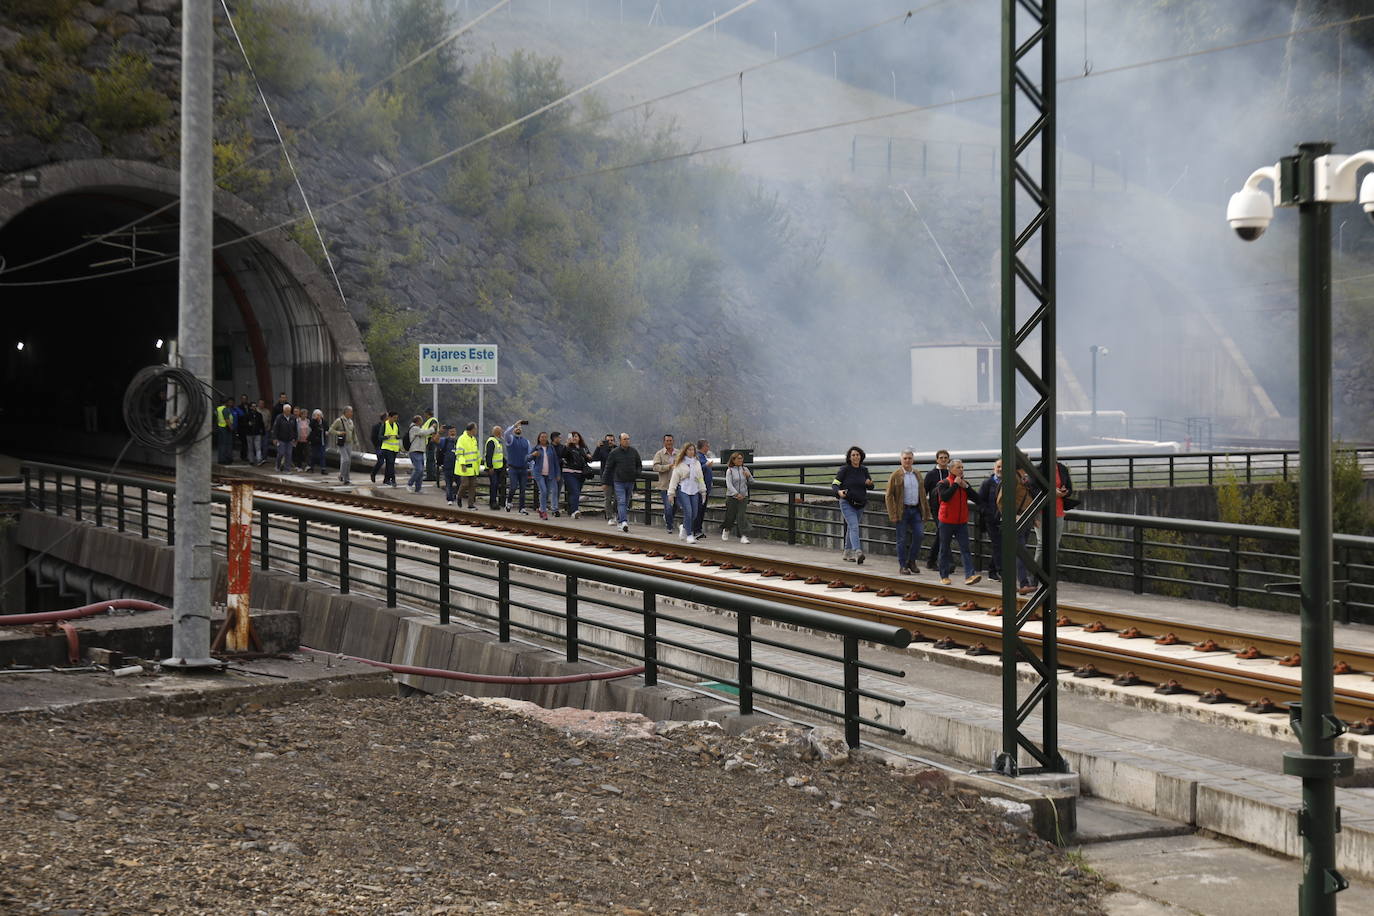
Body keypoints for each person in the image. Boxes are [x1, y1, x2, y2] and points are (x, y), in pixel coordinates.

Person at [935, 459, 982, 586]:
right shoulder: (943, 483)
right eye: (958, 467)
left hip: (961, 522)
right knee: (944, 548)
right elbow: (945, 497)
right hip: (946, 521)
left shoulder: (964, 484)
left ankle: (970, 575)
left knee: (965, 548)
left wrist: (966, 487)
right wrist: (955, 485)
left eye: (962, 467)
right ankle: (944, 576)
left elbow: (978, 499)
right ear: (951, 469)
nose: (961, 470)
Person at [884, 448, 930, 575]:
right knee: (902, 539)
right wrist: (892, 513)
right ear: (901, 460)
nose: (907, 461)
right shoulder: (895, 475)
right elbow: (888, 495)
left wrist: (926, 511)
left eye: (910, 458)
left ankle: (912, 561)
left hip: (915, 510)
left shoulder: (917, 474)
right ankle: (903, 565)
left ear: (913, 460)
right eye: (905, 458)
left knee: (919, 535)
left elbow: (922, 494)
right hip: (902, 511)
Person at [831, 446, 872, 563]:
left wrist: (869, 483)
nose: (855, 457)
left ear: (861, 456)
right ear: (849, 457)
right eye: (853, 455)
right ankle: (858, 552)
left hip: (860, 503)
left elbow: (870, 485)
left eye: (857, 455)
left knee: (851, 527)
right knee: (854, 526)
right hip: (847, 503)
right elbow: (835, 484)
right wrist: (838, 492)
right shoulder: (844, 470)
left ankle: (847, 552)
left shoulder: (864, 470)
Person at [999, 466, 1035, 594]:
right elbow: (1001, 500)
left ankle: (1011, 584)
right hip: (1017, 519)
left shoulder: (1023, 478)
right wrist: (1011, 516)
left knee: (1017, 552)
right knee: (1021, 552)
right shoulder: (1013, 478)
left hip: (1026, 518)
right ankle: (1023, 584)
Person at [1035, 458, 1075, 568]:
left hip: (1058, 510)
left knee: (1054, 545)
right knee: (1042, 544)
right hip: (1041, 511)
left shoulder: (1062, 468)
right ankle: (1035, 576)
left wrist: (1064, 492)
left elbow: (1070, 488)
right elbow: (1033, 490)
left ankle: (1049, 575)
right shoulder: (1038, 469)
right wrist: (1051, 492)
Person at [668, 442, 706, 544]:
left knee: (694, 513)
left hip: (694, 489)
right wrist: (671, 493)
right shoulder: (680, 464)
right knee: (688, 512)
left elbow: (700, 478)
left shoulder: (696, 463)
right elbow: (674, 479)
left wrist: (703, 491)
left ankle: (684, 527)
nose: (691, 452)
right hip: (683, 489)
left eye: (692, 450)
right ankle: (689, 534)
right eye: (689, 450)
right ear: (685, 451)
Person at [603, 432, 641, 532]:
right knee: (621, 501)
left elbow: (639, 464)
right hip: (619, 481)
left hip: (630, 481)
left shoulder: (633, 451)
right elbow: (608, 467)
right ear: (620, 441)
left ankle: (620, 520)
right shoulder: (614, 453)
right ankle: (623, 521)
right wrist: (605, 482)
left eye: (628, 439)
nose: (627, 441)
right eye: (625, 439)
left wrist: (637, 473)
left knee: (626, 502)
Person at [922, 449, 952, 570]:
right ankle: (947, 562)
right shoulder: (931, 474)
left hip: (950, 508)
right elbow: (923, 491)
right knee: (943, 533)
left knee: (942, 534)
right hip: (936, 508)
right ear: (937, 459)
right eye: (941, 458)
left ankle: (932, 560)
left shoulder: (951, 473)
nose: (943, 460)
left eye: (946, 458)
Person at [977, 459, 1005, 581]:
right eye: (998, 467)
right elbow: (980, 501)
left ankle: (992, 571)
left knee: (1001, 545)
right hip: (991, 520)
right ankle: (1001, 571)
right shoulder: (987, 483)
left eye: (1003, 467)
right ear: (994, 468)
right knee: (997, 544)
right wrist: (988, 513)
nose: (1000, 469)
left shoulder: (1009, 482)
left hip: (1005, 520)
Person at [721, 450, 753, 544]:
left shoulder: (745, 469)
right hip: (732, 497)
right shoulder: (729, 470)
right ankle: (726, 529)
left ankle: (743, 536)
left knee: (741, 516)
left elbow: (752, 482)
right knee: (730, 516)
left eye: (741, 458)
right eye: (738, 458)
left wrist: (749, 476)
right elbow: (729, 484)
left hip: (743, 496)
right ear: (733, 460)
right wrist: (736, 494)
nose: (740, 460)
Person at [529, 431, 561, 520]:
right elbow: (527, 458)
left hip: (550, 474)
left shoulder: (551, 448)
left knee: (548, 492)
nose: (543, 438)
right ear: (539, 438)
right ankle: (543, 511)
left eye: (545, 437)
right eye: (542, 437)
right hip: (539, 474)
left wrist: (558, 474)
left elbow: (555, 462)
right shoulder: (536, 448)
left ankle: (541, 508)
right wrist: (533, 455)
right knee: (543, 491)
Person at [502, 420, 533, 513]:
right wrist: (514, 425)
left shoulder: (526, 441)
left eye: (520, 428)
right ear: (514, 429)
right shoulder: (510, 439)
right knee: (513, 487)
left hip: (523, 468)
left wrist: (531, 467)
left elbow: (529, 454)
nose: (518, 428)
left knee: (523, 489)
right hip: (513, 468)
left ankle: (522, 508)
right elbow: (506, 433)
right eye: (516, 428)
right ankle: (509, 501)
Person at [561, 431, 591, 519]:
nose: (574, 438)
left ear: (579, 438)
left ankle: (571, 510)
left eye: (576, 436)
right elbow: (562, 455)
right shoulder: (567, 447)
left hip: (581, 473)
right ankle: (575, 511)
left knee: (575, 493)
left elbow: (589, 460)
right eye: (572, 436)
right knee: (575, 491)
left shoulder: (584, 448)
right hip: (569, 472)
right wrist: (567, 445)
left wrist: (589, 456)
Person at [652, 434, 678, 534]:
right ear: (664, 442)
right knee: (668, 506)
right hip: (665, 485)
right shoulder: (659, 454)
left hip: (677, 485)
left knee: (676, 506)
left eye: (671, 440)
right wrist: (668, 467)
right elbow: (655, 467)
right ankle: (669, 526)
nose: (669, 442)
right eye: (667, 441)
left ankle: (667, 517)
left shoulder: (678, 453)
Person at [328, 406, 359, 485]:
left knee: (348, 462)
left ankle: (346, 479)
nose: (351, 413)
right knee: (345, 459)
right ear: (346, 412)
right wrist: (339, 433)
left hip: (349, 443)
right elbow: (331, 429)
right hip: (342, 443)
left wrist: (356, 441)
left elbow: (353, 432)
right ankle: (341, 475)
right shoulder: (339, 420)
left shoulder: (351, 421)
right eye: (350, 412)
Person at [453, 422, 481, 508]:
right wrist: (462, 464)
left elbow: (476, 453)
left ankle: (470, 504)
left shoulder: (474, 439)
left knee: (473, 486)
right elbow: (459, 453)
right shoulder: (462, 439)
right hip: (465, 466)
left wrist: (479, 463)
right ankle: (459, 497)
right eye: (475, 429)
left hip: (474, 467)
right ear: (472, 429)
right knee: (465, 484)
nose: (476, 430)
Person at [591, 433, 616, 521]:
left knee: (618, 499)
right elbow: (593, 459)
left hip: (617, 477)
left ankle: (613, 513)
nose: (609, 442)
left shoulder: (617, 449)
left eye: (611, 440)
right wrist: (598, 447)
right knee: (608, 498)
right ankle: (609, 516)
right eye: (607, 440)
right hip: (606, 477)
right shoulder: (602, 450)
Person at [693, 439, 715, 538]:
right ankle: (695, 530)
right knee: (698, 510)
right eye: (707, 445)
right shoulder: (697, 457)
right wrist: (706, 466)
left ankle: (699, 530)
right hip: (699, 489)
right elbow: (697, 471)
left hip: (706, 488)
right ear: (703, 446)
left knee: (702, 510)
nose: (708, 447)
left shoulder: (703, 457)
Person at [484, 425, 507, 510]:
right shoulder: (492, 441)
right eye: (499, 431)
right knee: (493, 485)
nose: (501, 433)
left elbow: (499, 455)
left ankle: (495, 502)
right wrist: (490, 467)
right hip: (493, 468)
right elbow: (488, 455)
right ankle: (493, 502)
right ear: (496, 432)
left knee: (496, 485)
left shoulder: (498, 441)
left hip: (498, 468)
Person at [378, 410, 401, 487]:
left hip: (394, 448)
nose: (395, 419)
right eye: (394, 418)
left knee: (389, 464)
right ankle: (393, 480)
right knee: (391, 464)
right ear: (389, 417)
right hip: (386, 448)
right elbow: (380, 437)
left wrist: (398, 436)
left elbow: (399, 435)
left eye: (396, 418)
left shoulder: (396, 425)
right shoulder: (384, 425)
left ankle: (386, 479)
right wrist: (386, 437)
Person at [271, 404, 296, 473]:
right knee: (281, 453)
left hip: (290, 439)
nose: (288, 412)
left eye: (289, 411)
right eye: (287, 411)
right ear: (284, 411)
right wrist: (274, 438)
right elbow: (275, 428)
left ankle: (287, 469)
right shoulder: (279, 417)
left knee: (289, 454)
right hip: (281, 439)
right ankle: (278, 466)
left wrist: (295, 438)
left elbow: (295, 429)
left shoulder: (293, 418)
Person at [406, 414, 428, 493]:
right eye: (421, 420)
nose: (422, 422)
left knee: (421, 471)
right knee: (419, 469)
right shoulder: (414, 428)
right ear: (418, 421)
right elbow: (424, 433)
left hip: (420, 451)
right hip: (414, 451)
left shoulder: (418, 428)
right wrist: (432, 428)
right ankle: (409, 484)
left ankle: (418, 489)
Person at [243, 397, 266, 467]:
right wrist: (248, 424)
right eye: (253, 406)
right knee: (250, 448)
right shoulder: (247, 414)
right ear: (250, 407)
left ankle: (259, 459)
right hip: (249, 433)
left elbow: (262, 424)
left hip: (257, 433)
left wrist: (263, 431)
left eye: (255, 406)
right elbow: (243, 424)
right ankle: (251, 460)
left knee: (258, 447)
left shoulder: (259, 415)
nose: (254, 408)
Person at [437, 426, 457, 503]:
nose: (452, 432)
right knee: (448, 483)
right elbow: (435, 440)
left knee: (459, 483)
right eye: (451, 431)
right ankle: (450, 499)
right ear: (448, 432)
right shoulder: (444, 441)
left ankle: (456, 496)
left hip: (457, 467)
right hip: (447, 465)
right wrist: (439, 432)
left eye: (454, 431)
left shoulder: (458, 441)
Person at [214, 397, 235, 465]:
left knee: (221, 444)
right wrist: (231, 428)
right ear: (226, 402)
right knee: (227, 444)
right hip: (226, 429)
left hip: (220, 427)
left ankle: (221, 459)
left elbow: (216, 419)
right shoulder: (225, 409)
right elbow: (227, 420)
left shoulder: (217, 409)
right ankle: (226, 459)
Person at [421, 410, 440, 484]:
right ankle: (431, 475)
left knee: (430, 459)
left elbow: (433, 430)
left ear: (427, 413)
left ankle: (430, 476)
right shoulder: (430, 421)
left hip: (430, 442)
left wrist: (432, 440)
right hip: (429, 442)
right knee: (430, 459)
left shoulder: (432, 420)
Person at [369, 412, 388, 484]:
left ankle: (386, 479)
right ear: (384, 418)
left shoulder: (389, 426)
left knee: (389, 463)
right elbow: (373, 437)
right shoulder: (376, 426)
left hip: (388, 446)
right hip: (379, 446)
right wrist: (377, 445)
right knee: (381, 461)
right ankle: (373, 473)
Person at [294, 407, 310, 471]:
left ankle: (307, 465)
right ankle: (299, 466)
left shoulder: (308, 421)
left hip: (306, 439)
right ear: (301, 414)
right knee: (299, 453)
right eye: (304, 414)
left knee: (307, 453)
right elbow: (295, 429)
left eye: (306, 414)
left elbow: (309, 429)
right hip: (299, 439)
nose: (305, 415)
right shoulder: (297, 421)